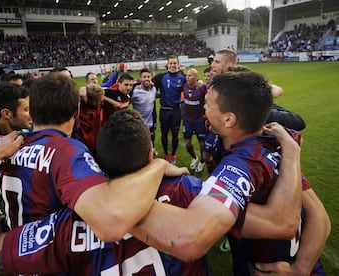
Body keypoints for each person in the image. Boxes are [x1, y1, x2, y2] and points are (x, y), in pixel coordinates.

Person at [0, 109, 301, 275]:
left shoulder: (70, 222)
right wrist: (292, 153)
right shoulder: (190, 193)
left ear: (98, 162)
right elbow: (278, 223)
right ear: (151, 153)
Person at [0, 73, 185, 271]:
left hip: (18, 251)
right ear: (75, 112)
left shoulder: (6, 144)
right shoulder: (66, 152)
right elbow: (108, 221)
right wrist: (158, 165)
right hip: (50, 258)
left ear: (34, 109)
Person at [130, 71, 330, 276]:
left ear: (228, 119)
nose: (203, 107)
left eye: (208, 104)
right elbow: (319, 215)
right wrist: (302, 267)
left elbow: (190, 237)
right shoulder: (277, 146)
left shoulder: (241, 164)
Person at [152, 55, 186, 164]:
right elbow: (149, 83)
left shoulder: (183, 77)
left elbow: (193, 83)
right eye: (171, 63)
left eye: (174, 63)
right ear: (167, 65)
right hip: (164, 111)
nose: (172, 65)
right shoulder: (161, 77)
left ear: (178, 64)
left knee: (175, 134)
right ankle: (166, 153)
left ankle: (174, 154)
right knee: (164, 134)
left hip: (176, 111)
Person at [182, 68, 208, 173]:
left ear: (196, 77)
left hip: (199, 120)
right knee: (187, 143)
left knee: (202, 144)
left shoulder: (202, 88)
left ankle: (202, 161)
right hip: (187, 120)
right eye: (187, 75)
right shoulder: (184, 86)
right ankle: (194, 157)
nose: (188, 77)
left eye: (190, 75)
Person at [130, 68, 158, 156]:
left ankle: (151, 152)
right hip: (139, 124)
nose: (146, 78)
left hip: (150, 123)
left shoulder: (153, 89)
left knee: (151, 141)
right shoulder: (135, 92)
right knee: (140, 145)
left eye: (148, 76)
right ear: (140, 79)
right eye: (144, 77)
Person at [73, 83, 105, 156]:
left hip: (91, 146)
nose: (102, 101)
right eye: (100, 99)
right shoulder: (78, 108)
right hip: (83, 147)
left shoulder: (97, 108)